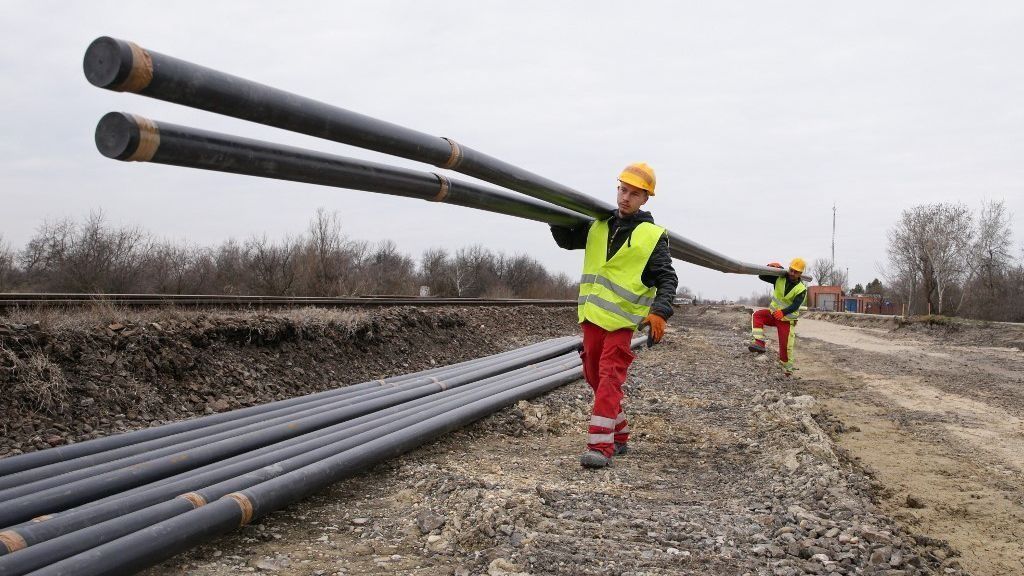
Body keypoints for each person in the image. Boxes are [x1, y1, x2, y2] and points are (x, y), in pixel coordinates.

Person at [550, 162, 678, 468]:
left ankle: (600, 446)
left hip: (622, 324)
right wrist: (552, 214)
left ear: (646, 198)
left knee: (609, 378)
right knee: (594, 376)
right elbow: (566, 240)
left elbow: (667, 279)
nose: (625, 198)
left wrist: (660, 313)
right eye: (623, 190)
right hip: (592, 317)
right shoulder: (599, 225)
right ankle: (619, 433)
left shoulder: (652, 237)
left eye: (634, 193)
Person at [749, 258, 807, 376]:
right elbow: (762, 276)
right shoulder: (779, 278)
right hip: (773, 315)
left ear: (800, 274)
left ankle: (787, 370)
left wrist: (783, 312)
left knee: (785, 347)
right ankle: (759, 342)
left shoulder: (801, 289)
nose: (792, 273)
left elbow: (795, 305)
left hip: (786, 320)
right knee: (758, 315)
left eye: (796, 272)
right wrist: (770, 268)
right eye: (791, 270)